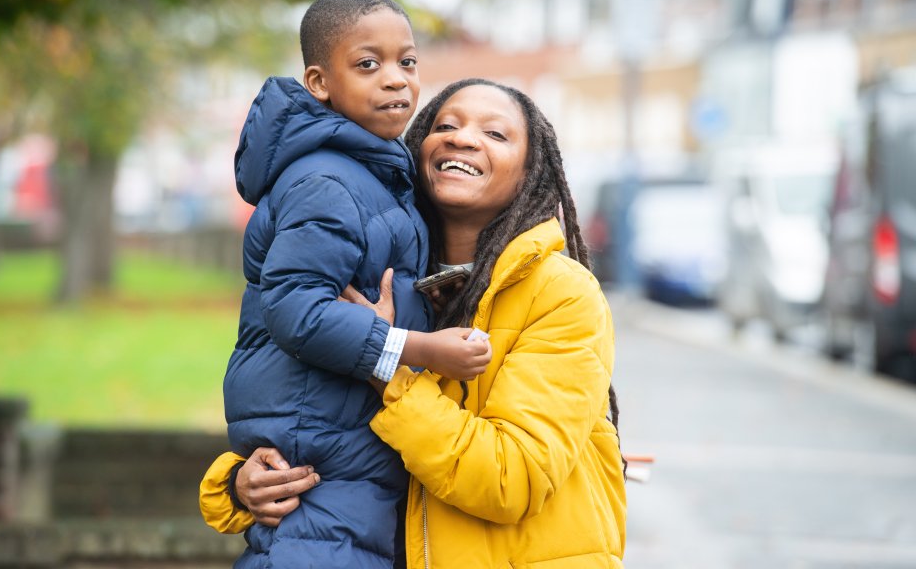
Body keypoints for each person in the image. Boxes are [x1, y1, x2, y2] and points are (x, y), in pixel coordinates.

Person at [203, 78, 628, 568]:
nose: (463, 138)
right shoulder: (379, 277)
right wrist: (240, 483)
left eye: (496, 134)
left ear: (531, 172)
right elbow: (309, 414)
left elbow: (511, 478)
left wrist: (387, 360)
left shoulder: (561, 293)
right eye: (446, 125)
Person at [215, 0, 491, 569]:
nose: (395, 79)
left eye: (407, 62)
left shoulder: (376, 175)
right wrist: (415, 349)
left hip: (344, 454)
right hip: (318, 467)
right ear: (319, 82)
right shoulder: (329, 183)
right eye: (368, 64)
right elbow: (295, 309)